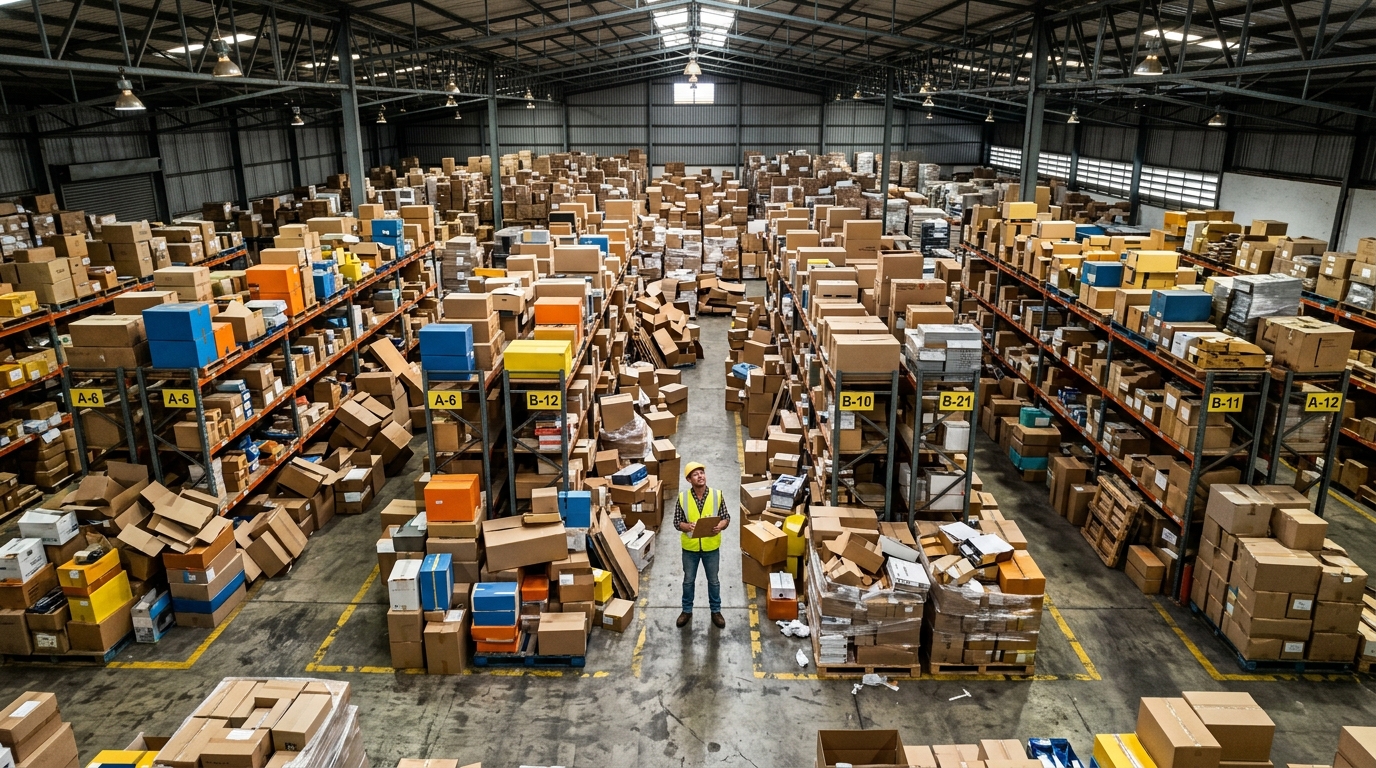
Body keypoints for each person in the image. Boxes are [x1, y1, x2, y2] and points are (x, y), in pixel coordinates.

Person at [675, 461, 730, 629]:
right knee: (688, 581)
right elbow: (677, 522)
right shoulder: (683, 497)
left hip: (711, 547)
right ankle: (686, 610)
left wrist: (721, 525)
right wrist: (686, 526)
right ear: (689, 479)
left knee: (713, 581)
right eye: (695, 474)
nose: (700, 476)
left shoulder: (717, 495)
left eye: (702, 473)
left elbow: (726, 517)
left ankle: (716, 611)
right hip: (690, 548)